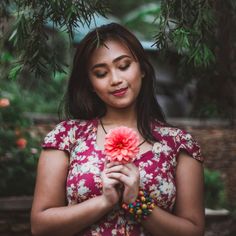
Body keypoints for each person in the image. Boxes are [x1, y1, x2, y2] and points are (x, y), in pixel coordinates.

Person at [31, 23, 205, 236]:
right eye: (101, 73)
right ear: (90, 84)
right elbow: (40, 226)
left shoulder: (179, 144)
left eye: (123, 66)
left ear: (142, 68)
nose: (116, 80)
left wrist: (137, 203)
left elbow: (194, 231)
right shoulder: (67, 136)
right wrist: (105, 201)